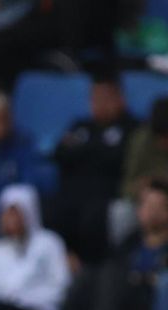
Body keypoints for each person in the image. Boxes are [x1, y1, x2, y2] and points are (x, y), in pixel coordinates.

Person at [63, 179, 168, 310]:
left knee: (110, 279)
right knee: (89, 276)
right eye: (147, 205)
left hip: (154, 306)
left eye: (159, 206)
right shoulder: (129, 243)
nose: (152, 211)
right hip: (123, 306)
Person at [51, 71, 137, 264]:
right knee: (52, 210)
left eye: (105, 98)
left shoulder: (132, 128)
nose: (99, 104)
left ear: (120, 99)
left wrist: (84, 149)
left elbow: (117, 159)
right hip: (72, 197)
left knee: (93, 217)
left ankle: (93, 267)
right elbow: (60, 153)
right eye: (95, 98)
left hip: (107, 198)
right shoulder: (81, 125)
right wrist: (97, 149)